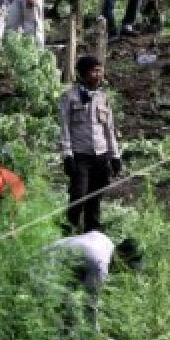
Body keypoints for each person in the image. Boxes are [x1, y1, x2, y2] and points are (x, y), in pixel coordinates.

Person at [59, 55, 122, 234]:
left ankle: (92, 230)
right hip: (80, 155)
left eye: (99, 71)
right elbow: (64, 127)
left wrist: (115, 155)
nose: (98, 75)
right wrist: (67, 155)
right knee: (79, 193)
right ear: (83, 74)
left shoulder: (103, 98)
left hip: (101, 154)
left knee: (96, 195)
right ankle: (70, 227)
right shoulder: (69, 97)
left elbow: (109, 129)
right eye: (93, 71)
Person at [42, 231, 143, 332]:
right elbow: (89, 305)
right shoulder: (100, 265)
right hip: (44, 272)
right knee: (67, 323)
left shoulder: (104, 240)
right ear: (122, 256)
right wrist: (96, 334)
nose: (122, 272)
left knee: (68, 308)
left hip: (44, 254)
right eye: (126, 268)